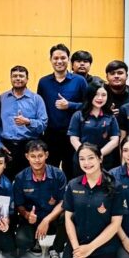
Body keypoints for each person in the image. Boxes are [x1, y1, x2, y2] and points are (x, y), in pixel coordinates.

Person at [55, 143, 125, 258]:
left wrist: (90, 248)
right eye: (82, 159)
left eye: (91, 158)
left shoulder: (115, 186)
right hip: (77, 244)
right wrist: (78, 250)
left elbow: (115, 224)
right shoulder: (73, 185)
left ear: (100, 158)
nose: (86, 163)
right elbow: (68, 219)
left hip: (102, 247)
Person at [11, 139, 67, 258]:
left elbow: (63, 202)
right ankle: (34, 241)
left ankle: (56, 248)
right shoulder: (20, 178)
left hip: (52, 218)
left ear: (46, 155)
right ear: (27, 157)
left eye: (40, 156)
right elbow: (19, 205)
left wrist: (47, 220)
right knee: (22, 242)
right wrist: (27, 215)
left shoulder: (58, 175)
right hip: (31, 220)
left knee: (69, 217)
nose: (37, 160)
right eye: (33, 156)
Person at [37, 44, 85, 177]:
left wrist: (70, 105)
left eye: (63, 58)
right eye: (56, 58)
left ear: (68, 59)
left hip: (73, 135)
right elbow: (39, 108)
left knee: (71, 172)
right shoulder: (43, 82)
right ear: (50, 60)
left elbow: (88, 106)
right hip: (50, 135)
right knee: (50, 172)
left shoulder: (79, 81)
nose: (59, 61)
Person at [0, 65, 48, 179]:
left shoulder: (36, 99)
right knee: (5, 181)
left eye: (21, 76)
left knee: (28, 181)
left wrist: (28, 122)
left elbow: (43, 124)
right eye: (15, 76)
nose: (18, 78)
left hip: (29, 147)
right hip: (6, 147)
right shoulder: (2, 98)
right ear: (11, 78)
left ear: (27, 79)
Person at [68, 79, 121, 170]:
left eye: (103, 95)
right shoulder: (78, 115)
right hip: (83, 161)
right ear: (90, 95)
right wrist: (86, 154)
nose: (100, 98)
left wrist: (99, 154)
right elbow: (73, 139)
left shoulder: (111, 116)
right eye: (96, 94)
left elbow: (115, 140)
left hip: (104, 160)